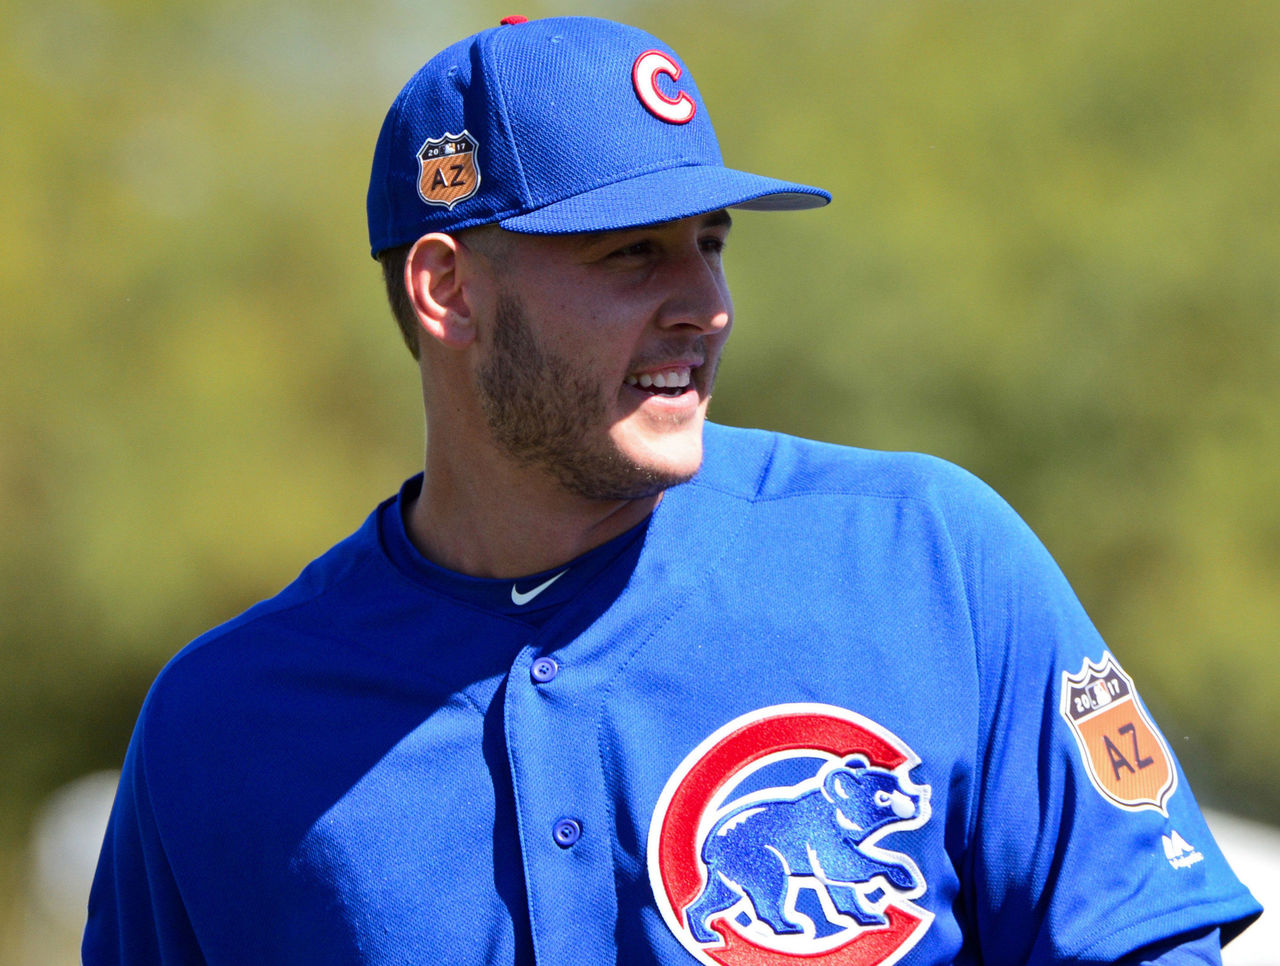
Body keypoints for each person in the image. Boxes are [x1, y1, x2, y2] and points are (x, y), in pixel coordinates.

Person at [84, 15, 1260, 966]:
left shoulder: (927, 559)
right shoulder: (221, 726)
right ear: (446, 292)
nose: (705, 305)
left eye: (711, 243)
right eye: (629, 253)